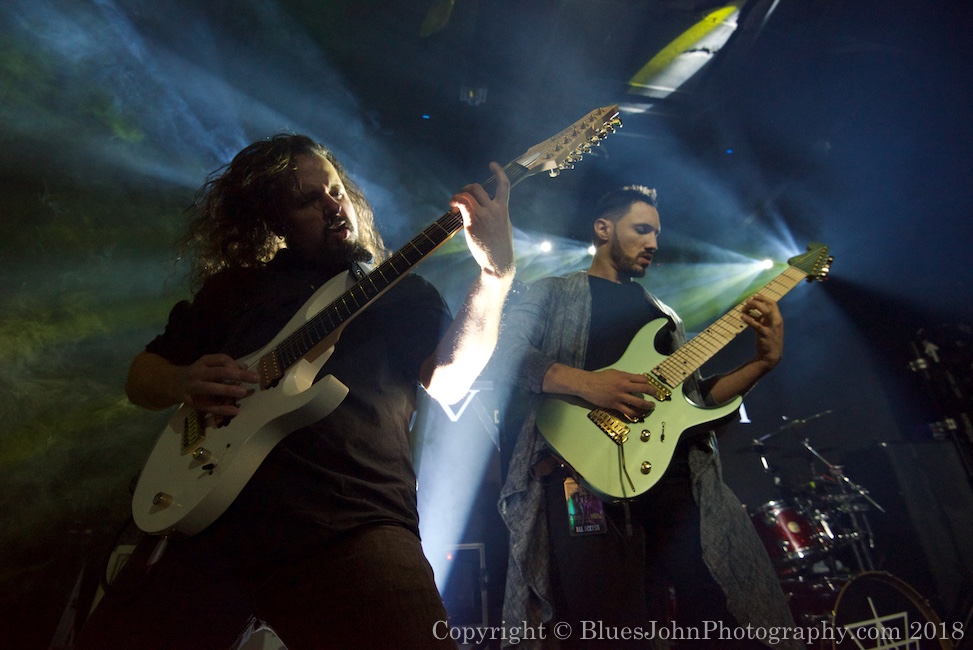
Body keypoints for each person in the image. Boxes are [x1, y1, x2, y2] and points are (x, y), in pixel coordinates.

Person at [76, 134, 515, 649]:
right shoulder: (234, 291)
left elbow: (449, 378)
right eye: (309, 200)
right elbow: (142, 376)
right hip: (214, 531)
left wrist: (495, 274)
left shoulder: (401, 293)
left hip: (354, 522)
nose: (333, 205)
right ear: (272, 221)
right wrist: (182, 379)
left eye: (335, 190)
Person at [489, 185, 801, 649]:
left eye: (657, 233)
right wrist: (588, 383)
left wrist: (762, 363)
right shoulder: (552, 293)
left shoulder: (665, 317)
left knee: (717, 615)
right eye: (642, 229)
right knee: (610, 626)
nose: (654, 242)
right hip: (578, 479)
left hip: (672, 482)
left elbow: (695, 405)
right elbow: (502, 353)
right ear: (602, 229)